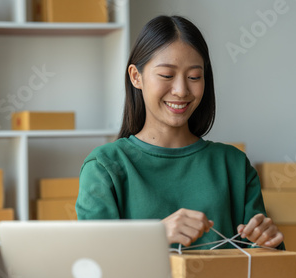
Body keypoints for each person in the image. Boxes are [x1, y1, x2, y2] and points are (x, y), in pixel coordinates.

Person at [75, 15, 284, 250]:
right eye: (166, 75)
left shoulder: (233, 165)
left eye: (194, 77)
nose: (181, 90)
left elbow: (264, 274)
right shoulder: (105, 166)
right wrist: (155, 236)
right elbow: (92, 266)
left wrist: (269, 244)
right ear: (136, 77)